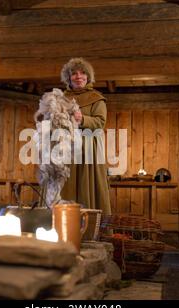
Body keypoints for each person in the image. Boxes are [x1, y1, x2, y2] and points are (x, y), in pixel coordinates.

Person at [59, 57, 112, 214]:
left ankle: (88, 231)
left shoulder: (96, 98)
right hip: (65, 149)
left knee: (86, 187)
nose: (78, 76)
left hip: (88, 151)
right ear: (68, 78)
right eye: (74, 73)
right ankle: (62, 227)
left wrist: (82, 119)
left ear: (88, 77)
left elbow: (100, 122)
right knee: (64, 186)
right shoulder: (61, 99)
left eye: (82, 73)